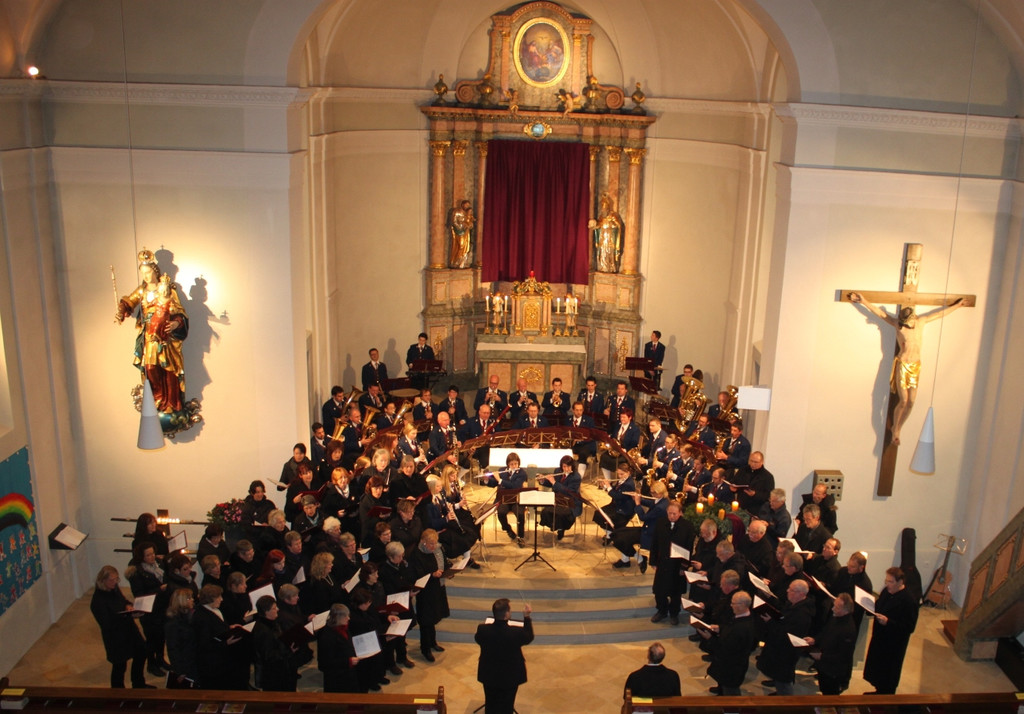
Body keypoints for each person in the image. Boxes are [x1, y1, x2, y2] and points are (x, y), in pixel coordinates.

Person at [848, 292, 964, 444]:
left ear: (913, 319)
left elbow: (940, 314)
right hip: (903, 364)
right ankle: (896, 429)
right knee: (903, 401)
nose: (905, 326)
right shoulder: (898, 326)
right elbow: (880, 313)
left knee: (912, 402)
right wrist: (863, 301)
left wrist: (957, 306)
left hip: (915, 365)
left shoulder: (921, 322)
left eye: (907, 324)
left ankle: (898, 427)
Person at [115, 250, 189, 417]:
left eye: (148, 273)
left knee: (167, 368)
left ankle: (171, 402)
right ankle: (158, 399)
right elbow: (129, 302)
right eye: (143, 274)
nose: (147, 277)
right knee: (150, 368)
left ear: (155, 271)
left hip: (165, 336)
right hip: (148, 335)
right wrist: (121, 311)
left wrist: (176, 323)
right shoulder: (142, 291)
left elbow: (179, 312)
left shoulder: (167, 290)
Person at [90, 565, 153, 689]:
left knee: (141, 653)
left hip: (129, 631)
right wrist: (125, 615)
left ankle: (138, 683)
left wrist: (129, 607)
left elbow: (123, 601)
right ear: (102, 580)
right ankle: (118, 692)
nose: (115, 582)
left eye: (116, 579)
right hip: (116, 638)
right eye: (111, 580)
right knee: (120, 666)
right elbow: (106, 624)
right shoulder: (98, 601)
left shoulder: (114, 589)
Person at [863, 567, 919, 694]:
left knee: (888, 672)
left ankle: (886, 695)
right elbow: (879, 605)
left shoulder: (909, 601)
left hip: (893, 644)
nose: (887, 584)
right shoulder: (887, 591)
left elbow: (909, 626)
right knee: (877, 668)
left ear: (900, 582)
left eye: (890, 582)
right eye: (886, 581)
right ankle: (879, 690)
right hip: (880, 638)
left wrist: (888, 622)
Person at [475, 598, 534, 714]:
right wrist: (526, 617)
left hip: (489, 674)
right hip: (510, 675)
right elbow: (529, 637)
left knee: (491, 702)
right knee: (507, 704)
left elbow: (478, 639)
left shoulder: (482, 629)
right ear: (507, 614)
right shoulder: (516, 633)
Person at [757, 579, 815, 695]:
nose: (788, 591)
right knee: (778, 675)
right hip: (780, 649)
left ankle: (786, 699)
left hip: (787, 652)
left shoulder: (802, 614)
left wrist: (770, 622)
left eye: (792, 590)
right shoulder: (793, 604)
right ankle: (779, 692)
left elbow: (786, 635)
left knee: (783, 680)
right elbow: (782, 611)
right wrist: (770, 598)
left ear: (801, 594)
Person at [649, 500, 695, 624]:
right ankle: (662, 611)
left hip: (677, 565)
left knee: (676, 592)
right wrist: (653, 561)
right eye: (669, 513)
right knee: (660, 591)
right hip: (663, 563)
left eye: (674, 514)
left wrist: (684, 567)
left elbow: (688, 548)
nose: (672, 516)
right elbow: (655, 543)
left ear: (680, 513)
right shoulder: (661, 523)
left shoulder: (687, 527)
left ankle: (674, 613)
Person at [410, 529, 450, 662]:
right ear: (423, 542)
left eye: (435, 543)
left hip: (434, 589)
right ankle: (425, 648)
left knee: (433, 618)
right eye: (431, 544)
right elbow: (417, 574)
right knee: (426, 621)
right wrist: (432, 575)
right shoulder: (416, 554)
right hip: (424, 593)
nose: (434, 547)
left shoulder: (431, 551)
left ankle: (433, 642)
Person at [612, 480, 669, 572]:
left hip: (650, 533)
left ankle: (639, 559)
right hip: (648, 528)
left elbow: (643, 517)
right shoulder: (662, 500)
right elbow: (651, 503)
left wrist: (638, 504)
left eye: (652, 492)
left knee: (621, 539)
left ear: (659, 493)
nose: (651, 494)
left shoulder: (661, 507)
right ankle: (626, 560)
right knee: (618, 533)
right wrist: (636, 498)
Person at [807, 592, 858, 695]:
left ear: (846, 611)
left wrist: (822, 656)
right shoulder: (836, 617)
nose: (833, 609)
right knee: (824, 690)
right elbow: (825, 631)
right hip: (825, 666)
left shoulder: (848, 630)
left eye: (837, 607)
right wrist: (815, 640)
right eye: (834, 605)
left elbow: (844, 656)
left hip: (834, 671)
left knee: (830, 695)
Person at [707, 591, 755, 696]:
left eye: (733, 603)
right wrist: (721, 628)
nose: (731, 605)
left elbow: (725, 648)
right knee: (724, 685)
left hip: (732, 666)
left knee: (731, 692)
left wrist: (710, 638)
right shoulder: (742, 617)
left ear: (742, 605)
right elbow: (729, 628)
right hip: (730, 664)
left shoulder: (742, 627)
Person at [251, 595, 299, 692]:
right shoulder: (263, 631)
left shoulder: (272, 622)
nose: (277, 609)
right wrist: (289, 650)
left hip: (282, 669)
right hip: (275, 675)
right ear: (266, 612)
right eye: (273, 608)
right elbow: (269, 656)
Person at [483, 452, 528, 545]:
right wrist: (487, 480)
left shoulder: (522, 473)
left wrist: (500, 480)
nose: (514, 466)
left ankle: (520, 536)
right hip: (503, 499)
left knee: (520, 514)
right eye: (511, 464)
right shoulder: (502, 470)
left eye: (516, 464)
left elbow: (514, 486)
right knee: (501, 512)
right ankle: (508, 529)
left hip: (516, 500)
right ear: (508, 464)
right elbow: (494, 483)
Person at [537, 454, 582, 540]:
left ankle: (561, 529)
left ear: (572, 466)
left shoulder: (576, 477)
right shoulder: (558, 471)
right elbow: (552, 484)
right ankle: (555, 525)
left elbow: (569, 492)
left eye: (569, 466)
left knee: (562, 514)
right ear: (561, 466)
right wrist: (543, 481)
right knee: (546, 511)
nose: (566, 469)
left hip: (570, 503)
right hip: (558, 500)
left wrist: (554, 482)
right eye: (564, 467)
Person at [318, 603, 360, 693]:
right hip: (337, 678)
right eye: (346, 616)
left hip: (348, 673)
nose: (348, 618)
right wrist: (348, 661)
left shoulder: (344, 627)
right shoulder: (327, 636)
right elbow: (325, 663)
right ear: (337, 617)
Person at [163, 588, 199, 687]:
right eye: (189, 598)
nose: (192, 600)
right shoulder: (173, 624)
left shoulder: (190, 616)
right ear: (181, 601)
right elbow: (173, 649)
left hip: (193, 660)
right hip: (185, 664)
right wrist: (180, 671)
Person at [591, 191, 623, 273]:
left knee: (609, 252)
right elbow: (599, 225)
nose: (603, 210)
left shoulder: (613, 216)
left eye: (604, 208)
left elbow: (618, 226)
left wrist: (610, 223)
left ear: (608, 208)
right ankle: (603, 267)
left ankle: (610, 268)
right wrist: (595, 226)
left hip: (610, 238)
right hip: (602, 238)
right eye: (602, 208)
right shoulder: (601, 217)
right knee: (602, 252)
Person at [448, 199, 476, 269]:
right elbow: (453, 221)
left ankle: (462, 262)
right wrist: (460, 227)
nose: (467, 206)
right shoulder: (457, 211)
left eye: (468, 205)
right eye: (466, 205)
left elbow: (470, 221)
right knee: (460, 245)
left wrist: (469, 225)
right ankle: (456, 261)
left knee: (466, 247)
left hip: (466, 232)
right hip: (459, 231)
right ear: (462, 205)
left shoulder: (467, 213)